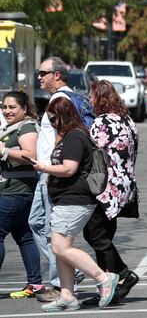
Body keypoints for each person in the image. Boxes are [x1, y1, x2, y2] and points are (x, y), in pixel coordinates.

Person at [29, 97, 119, 311]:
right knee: (61, 248)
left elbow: (69, 169)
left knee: (60, 247)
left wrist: (43, 168)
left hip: (74, 199)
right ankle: (67, 294)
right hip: (66, 199)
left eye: (53, 117)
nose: (51, 122)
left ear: (64, 115)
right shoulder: (70, 137)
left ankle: (103, 278)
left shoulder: (75, 138)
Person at [29, 57, 85, 302]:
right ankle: (68, 271)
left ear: (57, 75)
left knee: (47, 227)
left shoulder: (59, 100)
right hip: (48, 172)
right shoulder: (66, 98)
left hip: (51, 174)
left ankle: (62, 279)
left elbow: (63, 136)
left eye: (42, 73)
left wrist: (52, 169)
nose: (39, 77)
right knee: (40, 224)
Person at [80, 80, 140, 306]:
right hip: (125, 185)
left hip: (105, 186)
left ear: (100, 98)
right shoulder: (128, 120)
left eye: (92, 96)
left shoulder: (102, 122)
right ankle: (117, 280)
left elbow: (90, 150)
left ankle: (117, 279)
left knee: (96, 235)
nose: (90, 100)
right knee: (103, 235)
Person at [0, 91, 43, 299]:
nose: (7, 111)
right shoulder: (10, 128)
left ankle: (36, 282)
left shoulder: (27, 126)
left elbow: (31, 155)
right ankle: (35, 284)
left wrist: (4, 151)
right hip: (16, 191)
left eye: (12, 107)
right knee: (24, 237)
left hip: (16, 191)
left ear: (24, 108)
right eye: (4, 107)